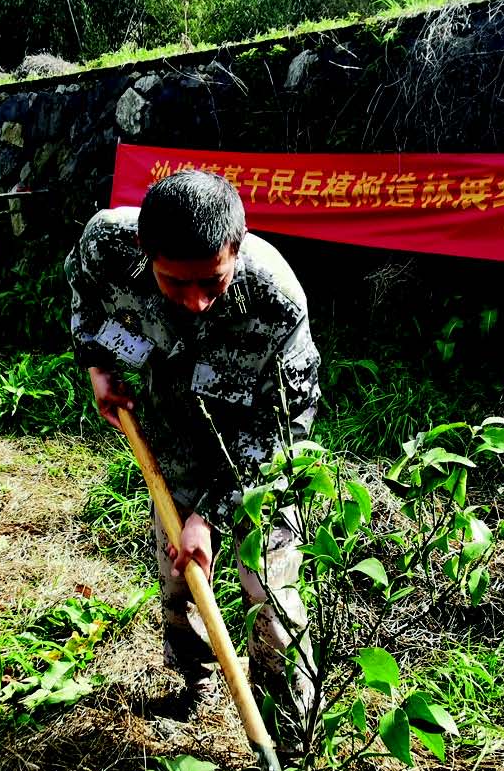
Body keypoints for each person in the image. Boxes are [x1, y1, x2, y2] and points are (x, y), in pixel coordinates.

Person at [66, 169, 321, 717]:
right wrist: (96, 366)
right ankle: (197, 688)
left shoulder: (276, 300)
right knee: (180, 577)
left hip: (257, 463)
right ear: (143, 251)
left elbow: (285, 425)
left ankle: (288, 726)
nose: (196, 301)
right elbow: (83, 292)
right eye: (175, 283)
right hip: (173, 443)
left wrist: (210, 512)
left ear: (238, 245)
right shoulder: (107, 244)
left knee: (269, 593)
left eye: (212, 282)